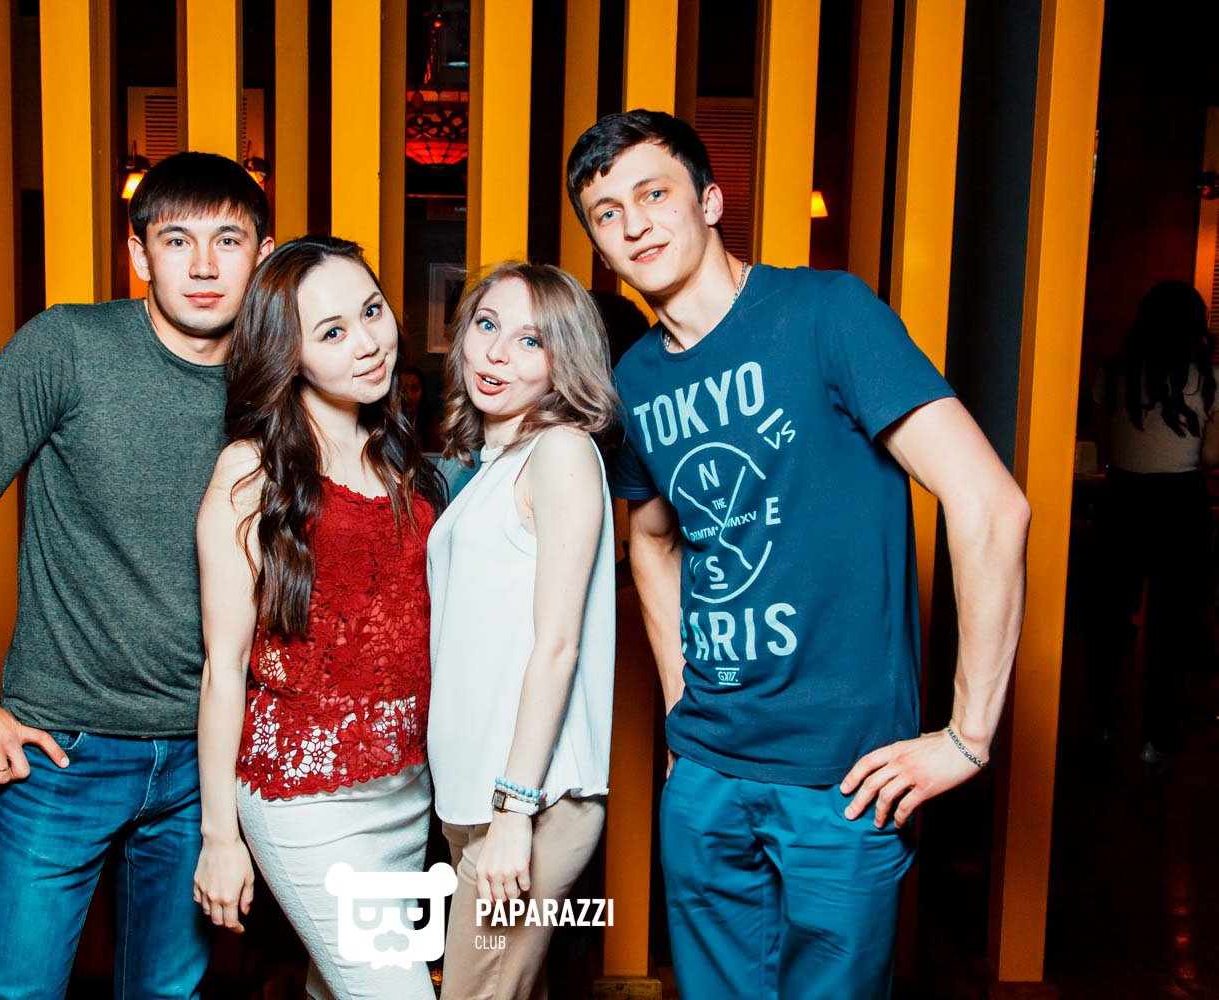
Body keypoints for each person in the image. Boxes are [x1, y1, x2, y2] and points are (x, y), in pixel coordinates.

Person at [565, 110, 1031, 999]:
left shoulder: (826, 314)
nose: (634, 224)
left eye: (654, 194)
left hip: (843, 778)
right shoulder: (635, 382)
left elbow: (992, 505)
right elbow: (652, 539)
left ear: (710, 201)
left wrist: (968, 739)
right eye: (607, 213)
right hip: (705, 773)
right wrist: (681, 706)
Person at [0, 152, 273, 999]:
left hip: (208, 758)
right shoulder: (68, 346)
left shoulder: (274, 381)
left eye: (227, 240)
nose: (203, 266)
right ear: (139, 255)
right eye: (176, 241)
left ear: (262, 254)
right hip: (62, 751)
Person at [191, 236, 447, 1000]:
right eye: (332, 332)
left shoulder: (398, 455)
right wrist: (219, 836)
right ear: (289, 355)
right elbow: (223, 667)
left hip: (406, 789)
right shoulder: (252, 469)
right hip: (304, 798)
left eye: (371, 311)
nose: (368, 342)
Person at [427, 263, 620, 1000]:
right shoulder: (491, 466)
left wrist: (513, 812)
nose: (497, 352)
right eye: (487, 325)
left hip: (530, 802)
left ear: (564, 362)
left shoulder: (560, 451)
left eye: (530, 340)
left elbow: (558, 644)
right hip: (480, 798)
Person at [1088, 280, 1219, 763]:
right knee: (1172, 626)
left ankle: (1100, 724)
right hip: (1180, 501)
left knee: (1107, 619)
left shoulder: (1112, 373)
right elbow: (1210, 457)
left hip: (1123, 496)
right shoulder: (1209, 379)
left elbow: (1106, 446)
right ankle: (1154, 740)